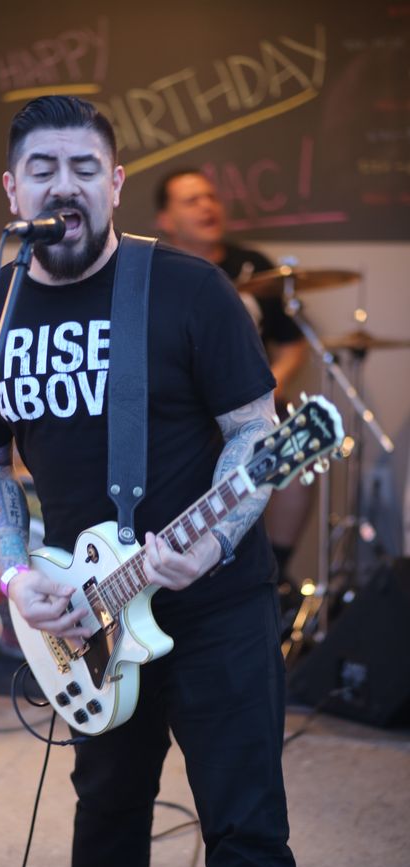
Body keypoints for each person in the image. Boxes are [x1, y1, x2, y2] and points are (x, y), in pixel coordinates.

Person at [0, 96, 298, 867]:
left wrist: (211, 542)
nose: (63, 185)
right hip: (91, 612)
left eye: (84, 168)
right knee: (106, 822)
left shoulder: (190, 289)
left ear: (114, 183)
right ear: (12, 189)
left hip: (215, 605)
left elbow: (256, 433)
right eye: (42, 168)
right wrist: (17, 578)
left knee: (246, 835)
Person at [155, 169, 310, 587]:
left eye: (211, 197)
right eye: (192, 200)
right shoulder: (153, 272)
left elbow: (292, 344)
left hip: (248, 400)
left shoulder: (252, 267)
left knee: (291, 452)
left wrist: (268, 387)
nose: (207, 206)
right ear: (165, 219)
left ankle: (279, 572)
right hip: (181, 408)